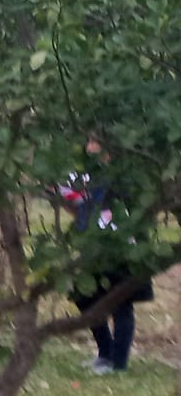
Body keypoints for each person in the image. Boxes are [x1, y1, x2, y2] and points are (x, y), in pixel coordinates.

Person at [60, 140, 153, 374]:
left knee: (121, 304)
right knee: (85, 297)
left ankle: (118, 364)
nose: (90, 146)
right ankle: (105, 353)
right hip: (94, 244)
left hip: (123, 246)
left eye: (94, 142)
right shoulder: (89, 175)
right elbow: (77, 204)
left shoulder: (126, 176)